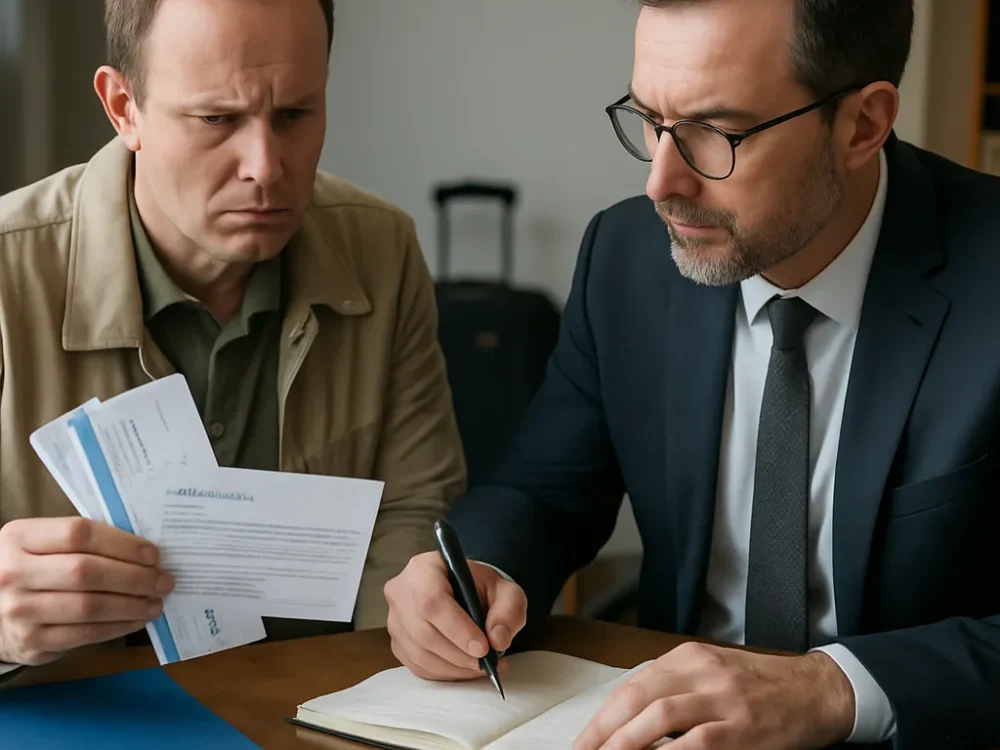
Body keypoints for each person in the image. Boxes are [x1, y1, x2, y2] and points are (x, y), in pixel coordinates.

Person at [383, 0, 1000, 748]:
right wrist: (474, 572)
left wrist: (835, 687)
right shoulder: (624, 258)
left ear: (862, 126)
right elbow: (542, 494)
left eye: (715, 131)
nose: (661, 181)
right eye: (650, 119)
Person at [0, 0, 466, 681]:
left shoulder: (382, 250)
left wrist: (404, 660)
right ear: (124, 107)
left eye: (295, 115)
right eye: (217, 119)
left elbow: (411, 513)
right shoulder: (8, 272)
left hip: (318, 710)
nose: (265, 168)